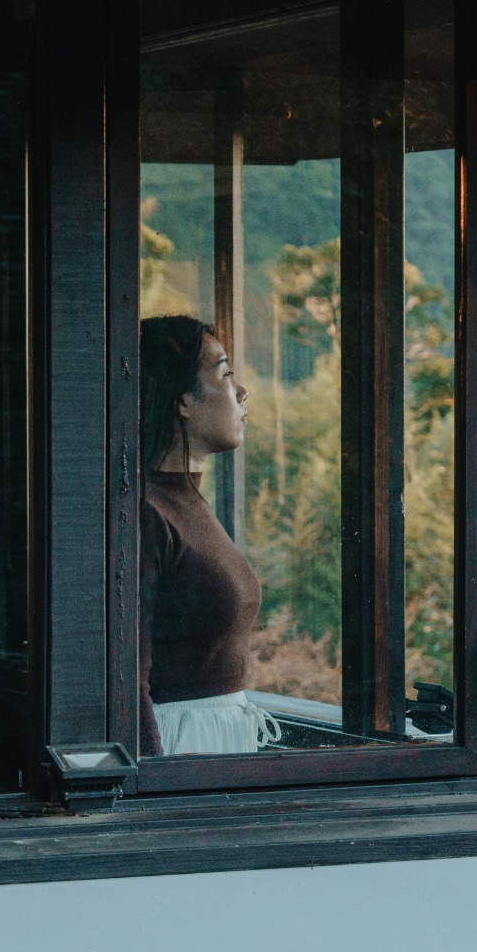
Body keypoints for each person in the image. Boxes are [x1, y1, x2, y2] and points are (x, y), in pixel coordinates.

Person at [139, 313, 274, 756]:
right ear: (183, 401)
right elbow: (128, 678)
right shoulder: (149, 512)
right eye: (224, 373)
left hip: (214, 748)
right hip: (181, 752)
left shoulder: (186, 501)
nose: (240, 391)